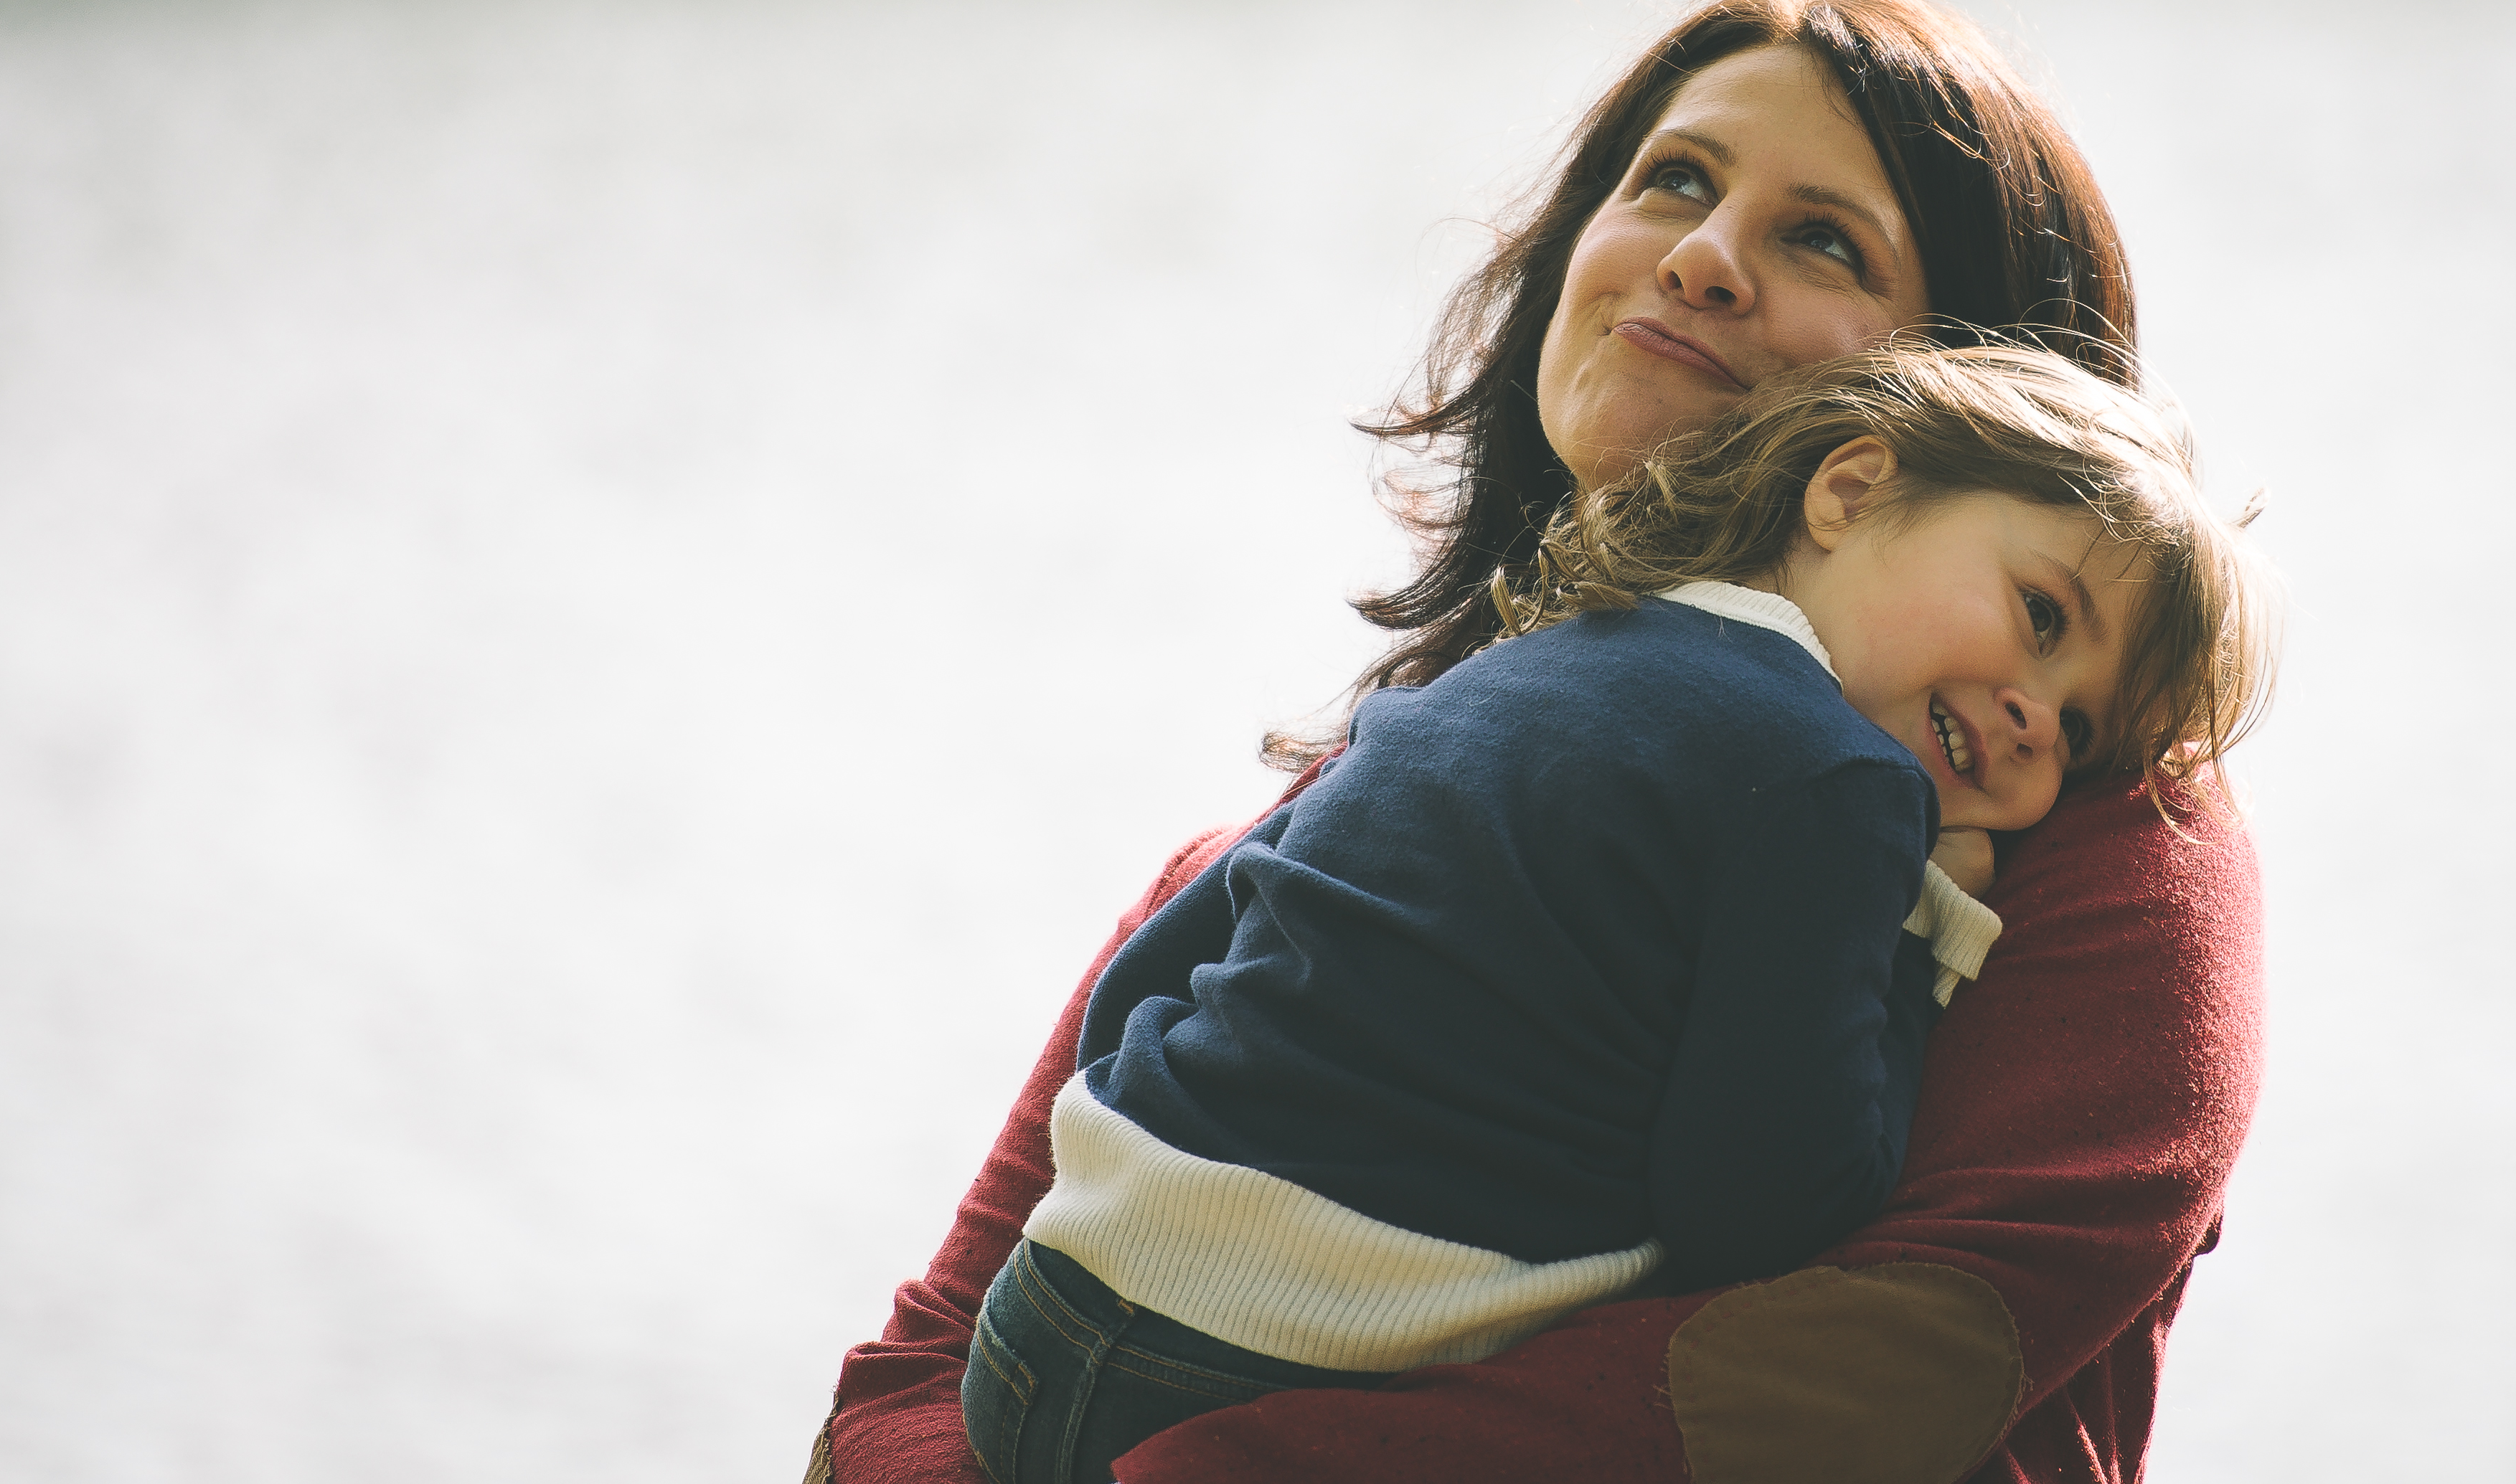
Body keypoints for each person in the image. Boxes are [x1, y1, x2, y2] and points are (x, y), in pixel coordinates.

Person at [819, 0, 2269, 1483]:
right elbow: (925, 1360)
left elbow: (1888, 1361)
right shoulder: (1299, 828)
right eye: (1673, 181)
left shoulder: (2097, 849)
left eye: (1821, 237)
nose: (1704, 257)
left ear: (1968, 395)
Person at [958, 344, 2274, 1484]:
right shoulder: (1846, 786)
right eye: (2040, 613)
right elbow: (1760, 1208)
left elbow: (1152, 978)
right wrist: (1928, 947)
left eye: (2081, 729)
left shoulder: (1521, 661)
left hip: (1036, 1331)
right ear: (1850, 488)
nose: (2036, 712)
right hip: (1258, 1388)